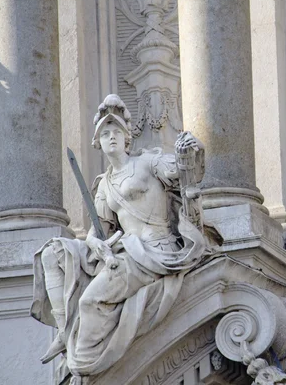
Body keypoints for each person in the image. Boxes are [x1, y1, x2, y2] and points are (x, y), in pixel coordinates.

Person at [31, 94, 213, 382]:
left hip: (155, 250)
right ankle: (65, 329)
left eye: (116, 132)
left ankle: (85, 365)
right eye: (105, 134)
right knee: (52, 252)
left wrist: (189, 151)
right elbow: (96, 231)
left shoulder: (149, 162)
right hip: (125, 252)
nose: (111, 137)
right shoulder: (105, 185)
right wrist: (97, 245)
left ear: (127, 138)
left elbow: (184, 171)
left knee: (90, 302)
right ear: (98, 143)